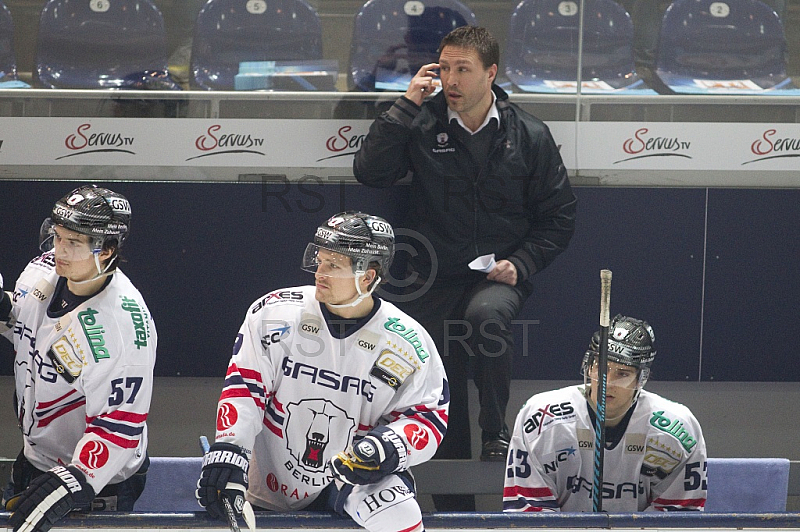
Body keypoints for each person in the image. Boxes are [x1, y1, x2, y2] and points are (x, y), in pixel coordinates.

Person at [353, 25, 577, 509]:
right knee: (439, 373)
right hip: (432, 278)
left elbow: (559, 218)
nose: (451, 80)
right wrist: (407, 103)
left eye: (463, 69)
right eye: (444, 68)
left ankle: (496, 432)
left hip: (496, 276)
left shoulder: (529, 134)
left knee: (486, 318)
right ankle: (457, 511)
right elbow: (370, 171)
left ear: (491, 74)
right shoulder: (421, 121)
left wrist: (522, 262)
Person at [196, 211, 448, 532]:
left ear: (367, 277)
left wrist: (390, 445)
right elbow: (245, 388)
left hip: (349, 476)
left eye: (333, 265)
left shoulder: (407, 342)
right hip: (268, 473)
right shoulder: (275, 312)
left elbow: (428, 418)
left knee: (401, 514)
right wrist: (231, 447)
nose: (319, 272)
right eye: (320, 259)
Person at [0, 185, 157, 532]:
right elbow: (29, 330)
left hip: (99, 480)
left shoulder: (124, 325)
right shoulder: (40, 271)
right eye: (57, 236)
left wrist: (75, 481)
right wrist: (4, 309)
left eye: (74, 242)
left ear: (108, 250)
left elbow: (120, 425)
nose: (59, 251)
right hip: (37, 457)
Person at [503, 315, 707, 512]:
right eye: (601, 368)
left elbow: (678, 517)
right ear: (588, 366)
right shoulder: (541, 418)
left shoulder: (678, 429)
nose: (607, 383)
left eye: (622, 373)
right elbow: (530, 511)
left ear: (640, 379)